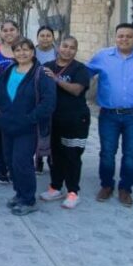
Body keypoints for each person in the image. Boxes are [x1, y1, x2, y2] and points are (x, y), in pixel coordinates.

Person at [87, 22, 133, 206]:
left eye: (128, 36)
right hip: (109, 114)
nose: (124, 39)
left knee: (131, 153)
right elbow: (83, 73)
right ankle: (107, 185)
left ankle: (125, 189)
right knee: (107, 152)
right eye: (120, 36)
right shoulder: (102, 57)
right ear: (115, 38)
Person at [0, 39, 56, 216]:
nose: (22, 53)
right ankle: (19, 194)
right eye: (17, 50)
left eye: (26, 50)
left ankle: (28, 200)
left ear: (33, 52)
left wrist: (29, 119)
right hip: (7, 126)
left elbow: (48, 103)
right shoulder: (9, 71)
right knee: (10, 161)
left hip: (27, 128)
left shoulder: (41, 74)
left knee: (22, 163)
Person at [40, 36, 91, 210]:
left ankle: (73, 192)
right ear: (58, 47)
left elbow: (77, 90)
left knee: (72, 156)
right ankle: (55, 187)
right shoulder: (47, 66)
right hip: (53, 119)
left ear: (76, 51)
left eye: (72, 47)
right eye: (64, 46)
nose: (67, 50)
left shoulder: (80, 68)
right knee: (55, 156)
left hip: (75, 119)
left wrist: (56, 79)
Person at [0, 19, 21, 185]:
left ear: (17, 31)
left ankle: (15, 168)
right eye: (5, 30)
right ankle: (1, 169)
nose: (9, 33)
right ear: (1, 32)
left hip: (19, 104)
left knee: (16, 138)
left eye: (12, 29)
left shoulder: (24, 50)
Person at [33, 25, 58, 173]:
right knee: (38, 128)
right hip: (35, 95)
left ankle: (51, 157)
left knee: (52, 127)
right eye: (42, 35)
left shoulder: (58, 52)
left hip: (53, 93)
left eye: (48, 35)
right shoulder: (31, 52)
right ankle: (38, 158)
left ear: (53, 38)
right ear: (37, 37)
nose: (45, 38)